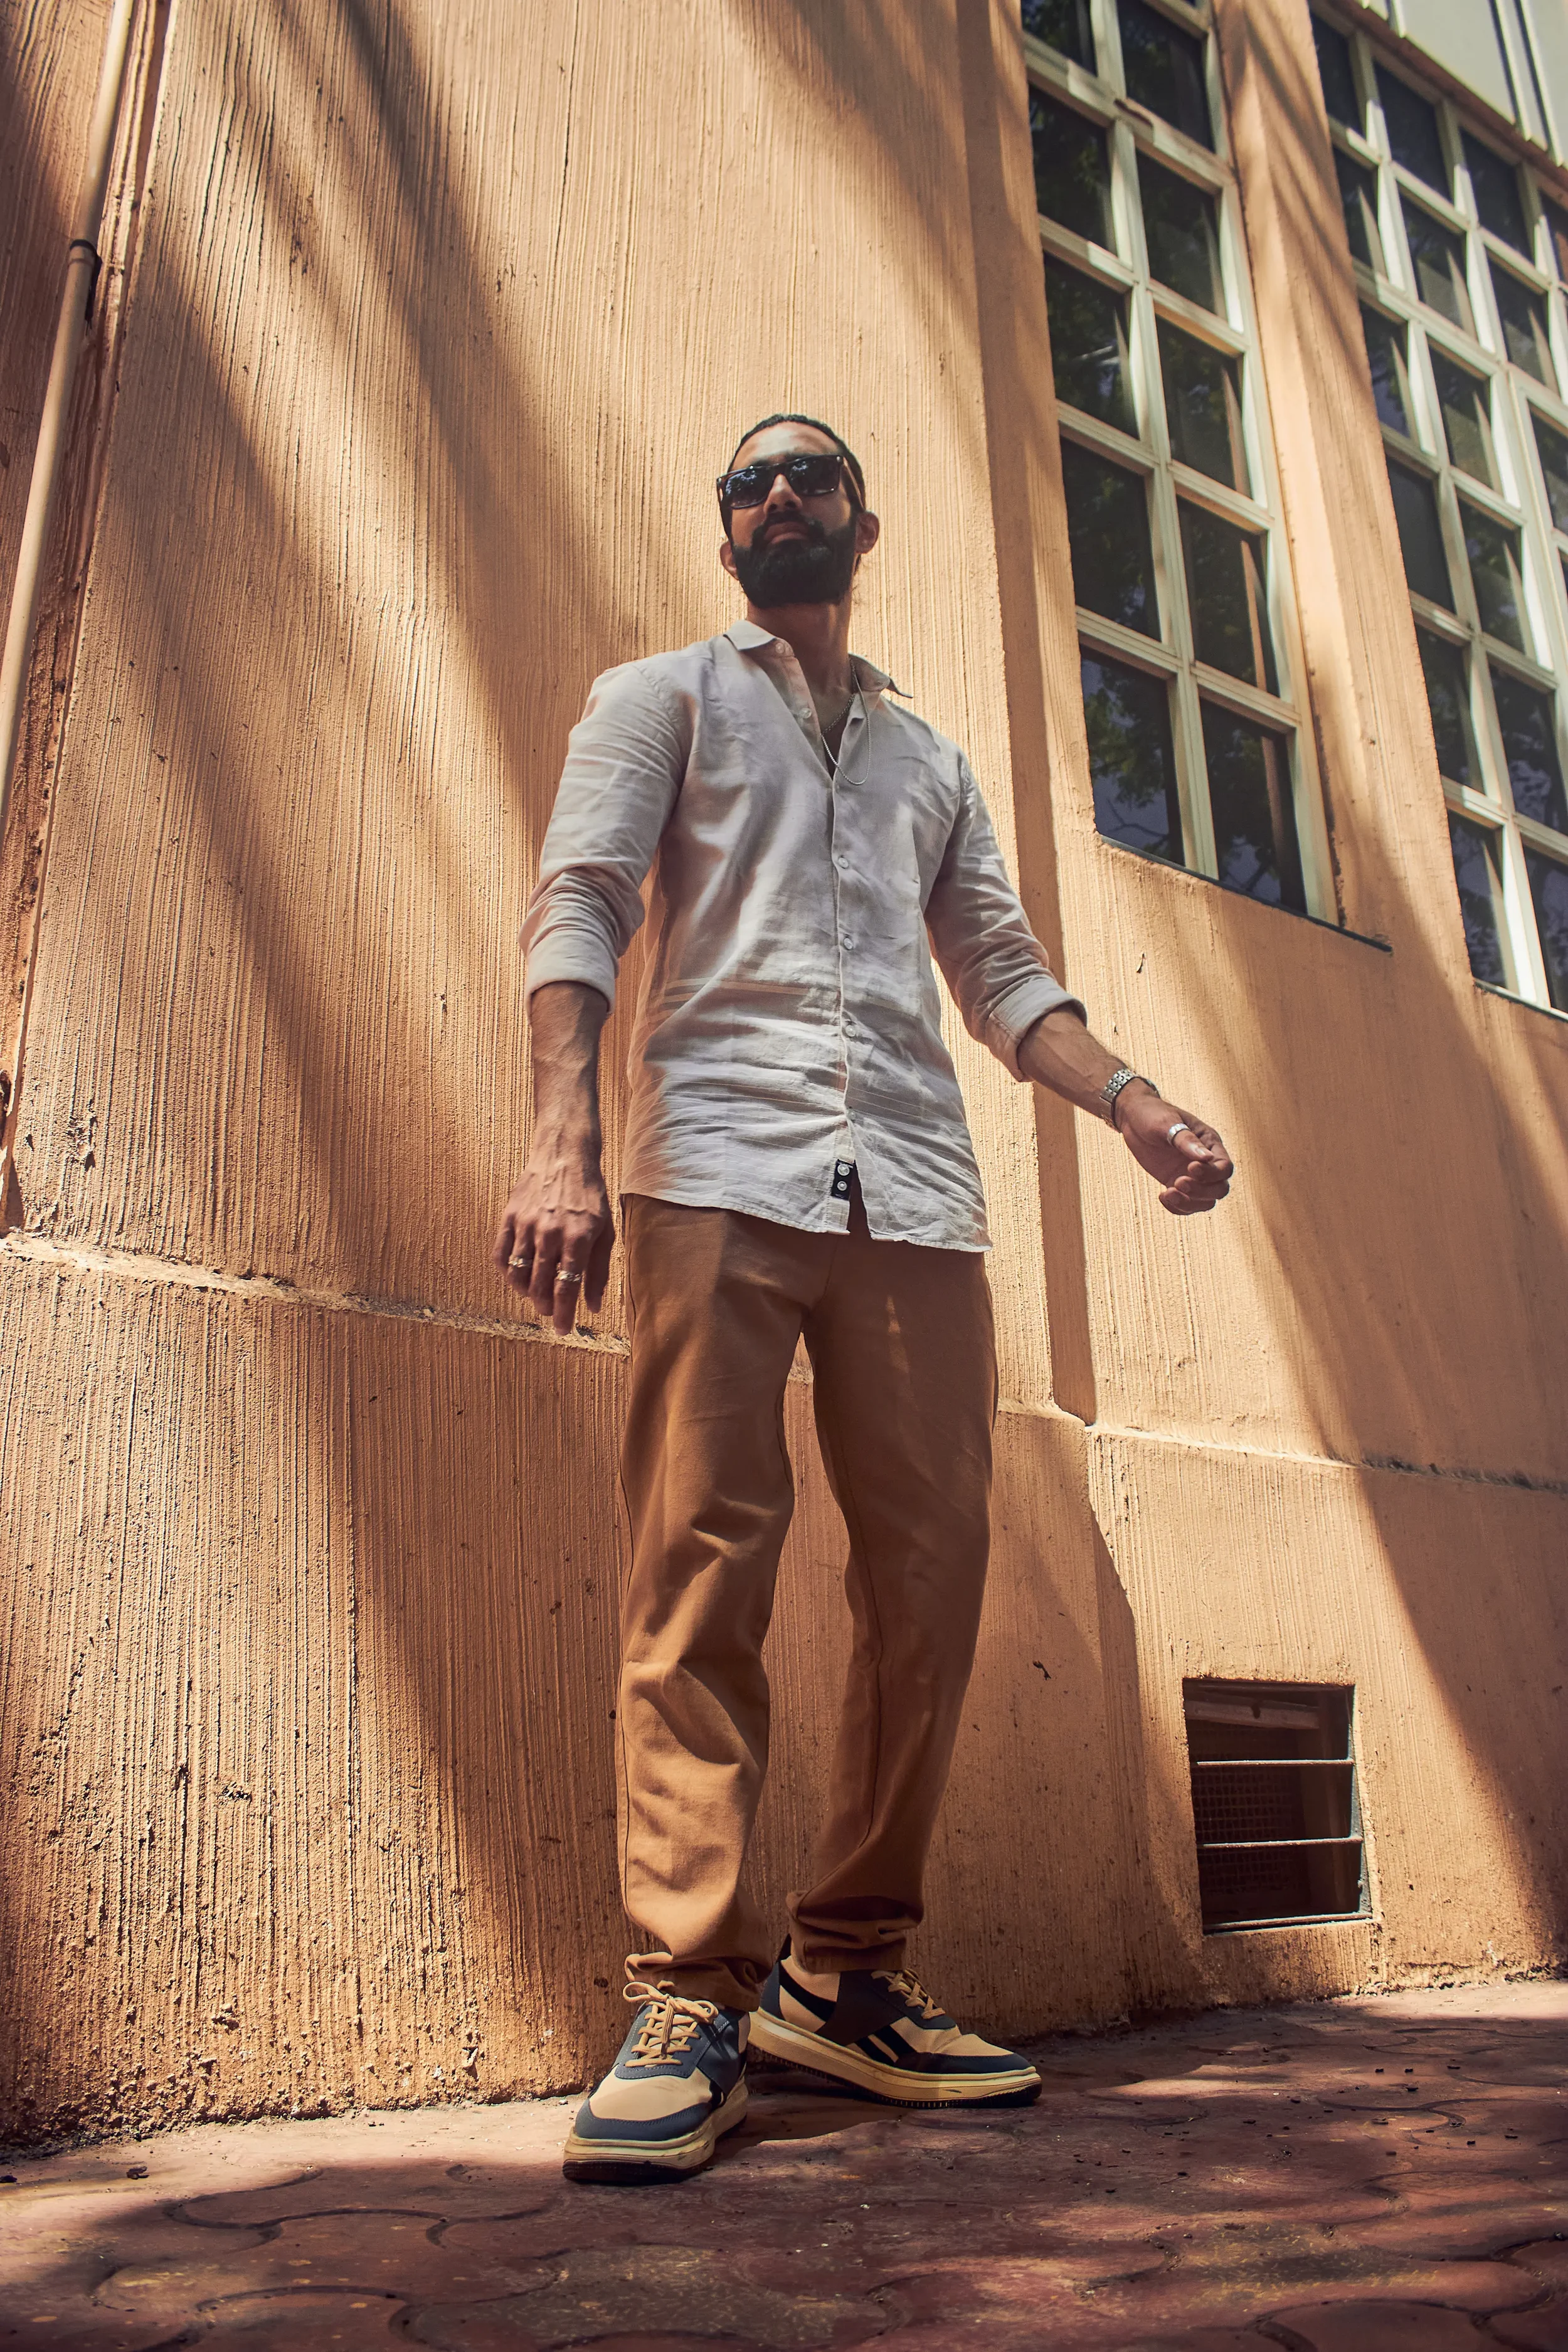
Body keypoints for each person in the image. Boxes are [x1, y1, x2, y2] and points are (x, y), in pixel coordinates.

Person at [494, 412, 1234, 2186]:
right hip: (713, 1168)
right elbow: (580, 905)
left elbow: (1004, 976)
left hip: (910, 1191)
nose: (775, 496)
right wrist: (557, 1142)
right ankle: (687, 1993)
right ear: (726, 537)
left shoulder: (929, 760)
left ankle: (846, 1973)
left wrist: (1133, 1103)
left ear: (859, 522)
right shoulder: (659, 698)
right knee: (699, 1565)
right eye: (744, 482)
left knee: (932, 1582)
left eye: (807, 474)